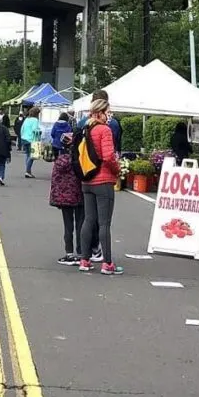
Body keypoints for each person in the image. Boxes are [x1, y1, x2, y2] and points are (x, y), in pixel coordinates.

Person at [78, 98, 123, 275]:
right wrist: (117, 169)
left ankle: (84, 259)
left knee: (88, 220)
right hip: (103, 180)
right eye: (108, 112)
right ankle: (107, 263)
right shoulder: (104, 130)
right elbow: (108, 156)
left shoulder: (86, 128)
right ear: (101, 112)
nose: (109, 115)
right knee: (104, 223)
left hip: (87, 179)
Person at [50, 132, 84, 266]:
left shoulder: (59, 161)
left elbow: (56, 180)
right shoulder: (80, 160)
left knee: (68, 225)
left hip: (64, 197)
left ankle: (69, 253)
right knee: (81, 224)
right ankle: (82, 253)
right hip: (79, 195)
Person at [20, 106, 42, 178]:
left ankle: (28, 170)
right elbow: (35, 130)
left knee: (27, 154)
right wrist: (40, 132)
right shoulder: (35, 120)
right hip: (31, 139)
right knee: (31, 156)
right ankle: (28, 171)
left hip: (24, 138)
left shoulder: (26, 119)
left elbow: (22, 129)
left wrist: (22, 136)